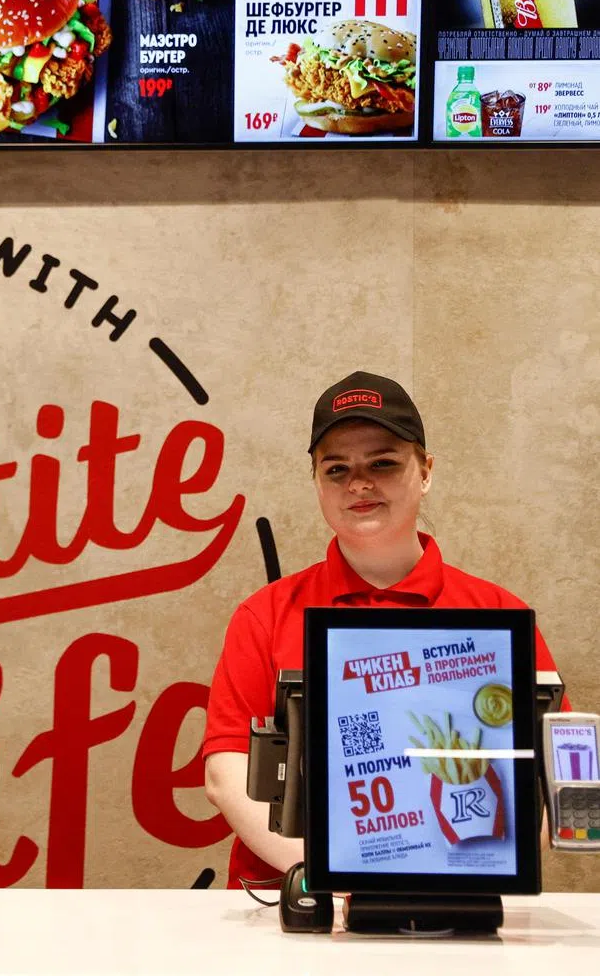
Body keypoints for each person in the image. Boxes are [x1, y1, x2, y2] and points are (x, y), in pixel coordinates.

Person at [202, 372, 565, 890]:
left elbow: (548, 781)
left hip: (459, 903)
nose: (358, 483)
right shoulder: (265, 616)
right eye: (336, 469)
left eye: (383, 463)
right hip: (296, 907)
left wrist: (471, 872)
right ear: (317, 483)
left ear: (426, 472)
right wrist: (330, 874)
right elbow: (226, 775)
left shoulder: (497, 613)